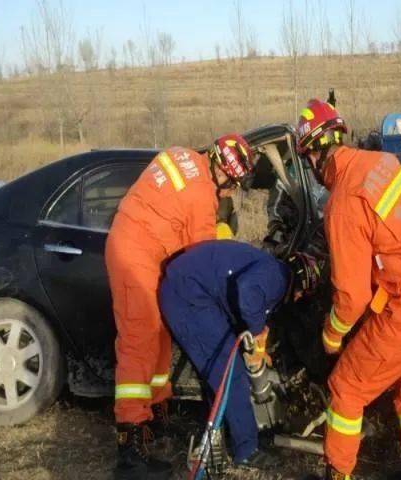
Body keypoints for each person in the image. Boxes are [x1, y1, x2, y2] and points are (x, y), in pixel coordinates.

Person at [296, 99, 401, 479]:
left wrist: (332, 336)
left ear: (316, 156)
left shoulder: (343, 201)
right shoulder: (382, 163)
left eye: (308, 159)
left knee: (346, 388)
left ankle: (339, 472)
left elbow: (351, 298)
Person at [106, 134, 255, 480]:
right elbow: (204, 263)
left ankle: (153, 422)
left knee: (158, 338)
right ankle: (129, 454)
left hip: (138, 245)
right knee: (137, 345)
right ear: (227, 177)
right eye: (232, 185)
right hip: (135, 255)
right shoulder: (202, 198)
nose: (231, 192)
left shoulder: (183, 154)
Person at [158, 241, 321, 470]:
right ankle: (246, 449)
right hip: (188, 296)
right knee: (229, 372)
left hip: (189, 290)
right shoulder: (278, 278)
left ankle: (220, 435)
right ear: (300, 287)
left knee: (218, 370)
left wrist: (256, 340)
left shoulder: (271, 269)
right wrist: (254, 333)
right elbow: (247, 291)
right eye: (301, 294)